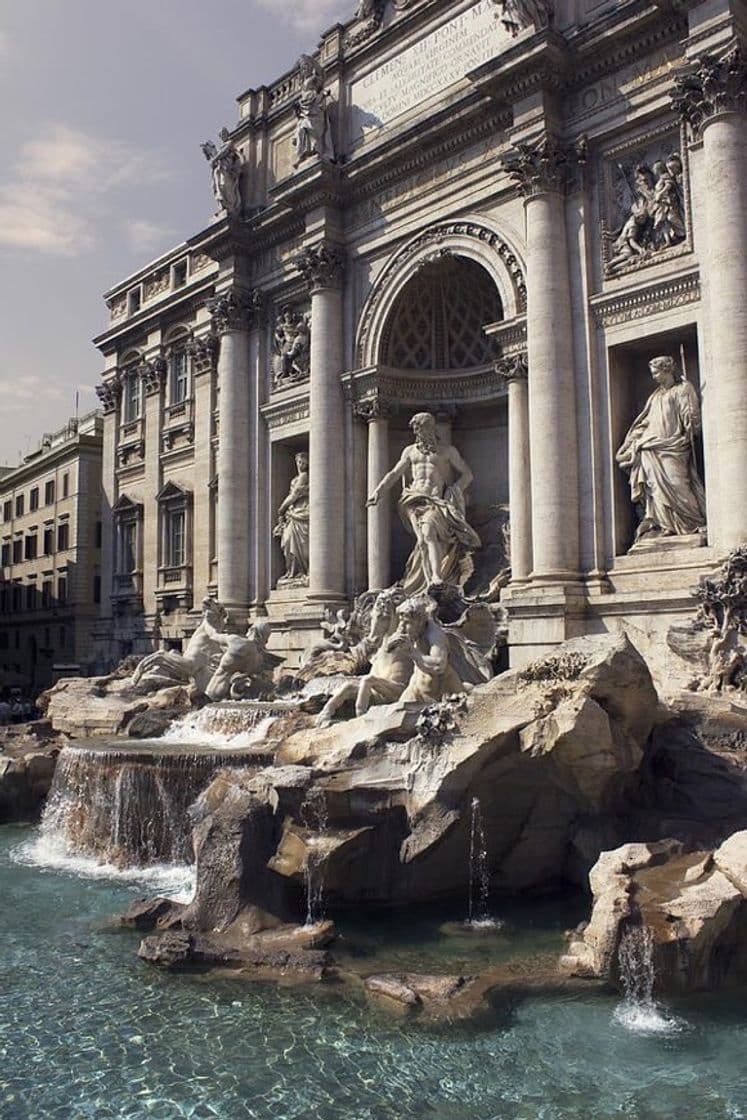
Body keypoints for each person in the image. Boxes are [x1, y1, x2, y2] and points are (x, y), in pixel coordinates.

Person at [367, 412, 480, 594]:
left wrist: (454, 490)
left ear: (429, 427)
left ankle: (436, 576)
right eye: (415, 429)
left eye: (419, 428)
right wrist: (378, 491)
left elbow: (467, 474)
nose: (416, 432)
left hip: (434, 500)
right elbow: (394, 473)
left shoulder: (447, 451)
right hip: (412, 499)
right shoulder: (410, 451)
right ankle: (427, 582)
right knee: (422, 540)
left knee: (428, 533)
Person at [616, 355, 706, 544]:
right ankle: (666, 526)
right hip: (649, 447)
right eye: (652, 373)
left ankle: (692, 523)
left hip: (674, 446)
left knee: (678, 483)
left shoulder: (683, 389)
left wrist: (692, 423)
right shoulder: (654, 396)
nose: (654, 376)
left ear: (667, 370)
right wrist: (629, 444)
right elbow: (644, 423)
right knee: (655, 488)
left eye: (657, 372)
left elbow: (691, 418)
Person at [274, 453, 310, 582]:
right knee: (287, 541)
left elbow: (294, 495)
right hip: (293, 513)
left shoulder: (304, 477)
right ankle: (292, 571)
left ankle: (301, 570)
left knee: (300, 543)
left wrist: (282, 508)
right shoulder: (295, 478)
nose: (301, 465)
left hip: (302, 512)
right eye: (299, 462)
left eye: (304, 463)